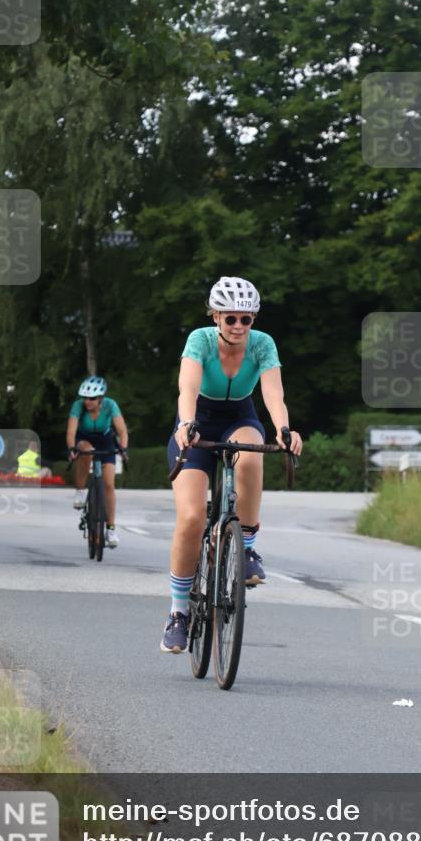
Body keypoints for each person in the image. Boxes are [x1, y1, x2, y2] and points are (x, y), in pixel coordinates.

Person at [161, 277, 302, 654]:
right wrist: (186, 424)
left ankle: (249, 547)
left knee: (252, 452)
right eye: (231, 319)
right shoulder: (200, 340)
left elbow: (273, 393)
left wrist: (283, 429)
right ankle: (178, 614)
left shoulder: (262, 345)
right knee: (191, 518)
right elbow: (187, 387)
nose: (239, 326)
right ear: (216, 316)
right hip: (197, 422)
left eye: (247, 319)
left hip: (240, 416)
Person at [66, 376, 128, 548]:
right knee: (85, 450)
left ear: (100, 398)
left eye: (92, 398)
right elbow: (71, 432)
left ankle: (110, 529)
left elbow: (122, 430)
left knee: (109, 485)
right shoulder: (78, 407)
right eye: (85, 397)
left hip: (105, 440)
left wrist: (123, 449)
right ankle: (80, 491)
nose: (87, 401)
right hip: (84, 439)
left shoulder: (110, 405)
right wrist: (72, 448)